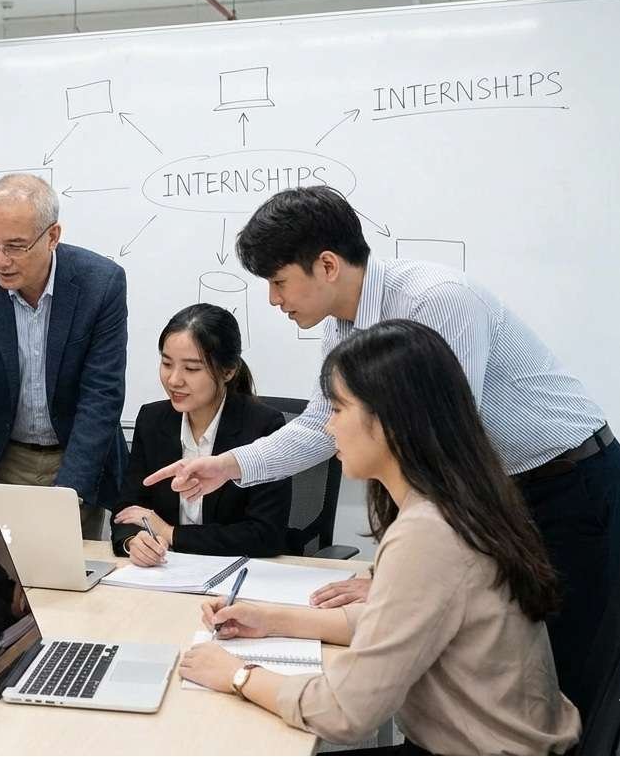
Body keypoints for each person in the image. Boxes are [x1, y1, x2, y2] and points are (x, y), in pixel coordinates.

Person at [146, 185, 616, 714]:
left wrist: (399, 574)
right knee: (497, 674)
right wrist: (228, 465)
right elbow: (320, 426)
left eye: (278, 282)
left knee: (561, 677)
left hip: (567, 481)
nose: (274, 300)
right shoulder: (343, 329)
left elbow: (437, 443)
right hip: (498, 492)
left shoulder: (436, 301)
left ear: (327, 265)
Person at [178, 319, 580, 755]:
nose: (328, 428)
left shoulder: (429, 533)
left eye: (338, 410)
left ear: (391, 419)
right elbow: (389, 624)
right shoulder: (456, 502)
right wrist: (271, 619)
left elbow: (344, 712)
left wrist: (238, 675)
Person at [0, 174, 128, 540]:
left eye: (16, 246)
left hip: (75, 454)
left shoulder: (101, 285)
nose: (0, 260)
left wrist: (67, 496)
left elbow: (101, 395)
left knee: (64, 565)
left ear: (52, 236)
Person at [112, 304, 290, 563]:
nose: (174, 380)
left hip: (238, 570)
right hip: (164, 572)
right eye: (167, 363)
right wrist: (134, 541)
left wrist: (170, 533)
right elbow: (128, 509)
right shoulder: (152, 420)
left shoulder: (263, 426)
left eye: (192, 369)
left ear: (228, 371)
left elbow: (265, 535)